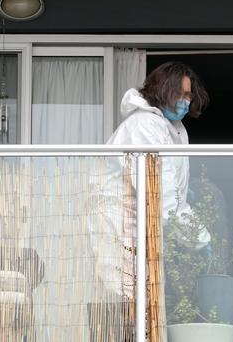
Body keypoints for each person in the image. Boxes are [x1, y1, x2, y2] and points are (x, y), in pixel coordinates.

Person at [90, 61, 211, 303]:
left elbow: (169, 188)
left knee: (145, 301)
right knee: (127, 300)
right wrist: (199, 237)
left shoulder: (172, 128)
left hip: (142, 227)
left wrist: (184, 201)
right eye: (180, 93)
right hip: (121, 226)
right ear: (163, 89)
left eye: (188, 94)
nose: (185, 101)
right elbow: (161, 195)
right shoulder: (144, 125)